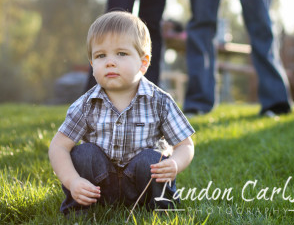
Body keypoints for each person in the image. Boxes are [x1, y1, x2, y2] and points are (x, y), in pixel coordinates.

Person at [49, 11, 195, 217]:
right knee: (84, 154)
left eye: (121, 54)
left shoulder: (160, 101)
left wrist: (175, 163)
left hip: (141, 186)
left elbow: (185, 145)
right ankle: (78, 211)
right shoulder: (85, 104)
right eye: (101, 56)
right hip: (97, 189)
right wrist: (73, 180)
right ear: (92, 65)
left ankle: (161, 210)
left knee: (152, 159)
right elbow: (58, 147)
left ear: (143, 63)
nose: (110, 62)